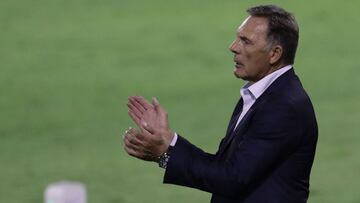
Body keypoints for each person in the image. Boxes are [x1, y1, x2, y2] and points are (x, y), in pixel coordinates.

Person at [123, 4, 318, 203]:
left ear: (274, 54)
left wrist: (165, 153)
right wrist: (169, 141)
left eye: (246, 41)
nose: (233, 47)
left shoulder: (283, 106)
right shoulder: (260, 95)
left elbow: (232, 178)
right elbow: (225, 167)